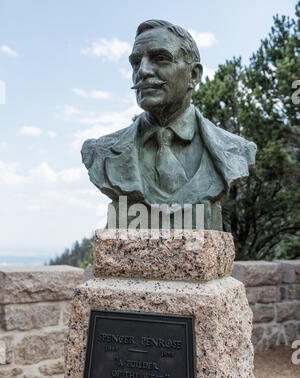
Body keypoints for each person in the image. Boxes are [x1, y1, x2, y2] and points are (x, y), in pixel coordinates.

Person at [82, 19, 256, 230]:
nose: (143, 71)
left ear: (194, 75)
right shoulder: (101, 152)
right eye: (136, 62)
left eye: (161, 59)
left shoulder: (236, 150)